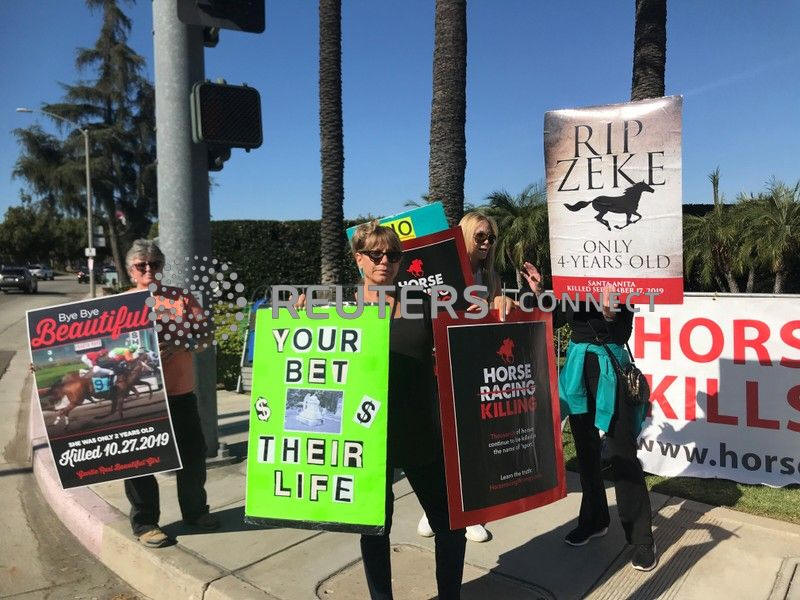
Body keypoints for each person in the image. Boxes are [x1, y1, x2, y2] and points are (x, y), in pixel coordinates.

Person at [323, 221, 466, 599]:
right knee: (374, 528)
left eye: (393, 254)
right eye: (375, 254)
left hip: (420, 428)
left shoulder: (422, 302)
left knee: (450, 525)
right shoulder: (339, 309)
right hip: (366, 436)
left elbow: (470, 325)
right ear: (358, 259)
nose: (385, 261)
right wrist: (297, 314)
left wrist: (503, 304)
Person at [520, 266, 657, 571]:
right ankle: (595, 520)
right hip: (577, 369)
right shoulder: (571, 280)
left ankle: (642, 539)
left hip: (609, 369)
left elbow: (622, 334)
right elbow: (554, 320)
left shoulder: (621, 280)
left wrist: (609, 313)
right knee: (585, 450)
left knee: (622, 453)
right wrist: (540, 291)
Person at [417, 211, 510, 543]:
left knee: (470, 440)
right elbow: (420, 313)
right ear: (465, 235)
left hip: (473, 367)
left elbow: (498, 315)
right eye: (480, 236)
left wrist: (500, 302)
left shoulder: (491, 277)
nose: (486, 243)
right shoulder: (440, 273)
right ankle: (436, 508)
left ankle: (469, 511)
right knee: (440, 442)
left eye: (491, 238)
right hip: (437, 365)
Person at [123, 239, 219, 548]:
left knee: (192, 457)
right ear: (130, 270)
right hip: (139, 399)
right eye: (141, 265)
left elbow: (206, 335)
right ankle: (145, 523)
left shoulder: (181, 299)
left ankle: (195, 512)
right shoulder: (117, 306)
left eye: (154, 263)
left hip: (180, 396)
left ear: (162, 267)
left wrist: (183, 344)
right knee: (139, 463)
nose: (148, 269)